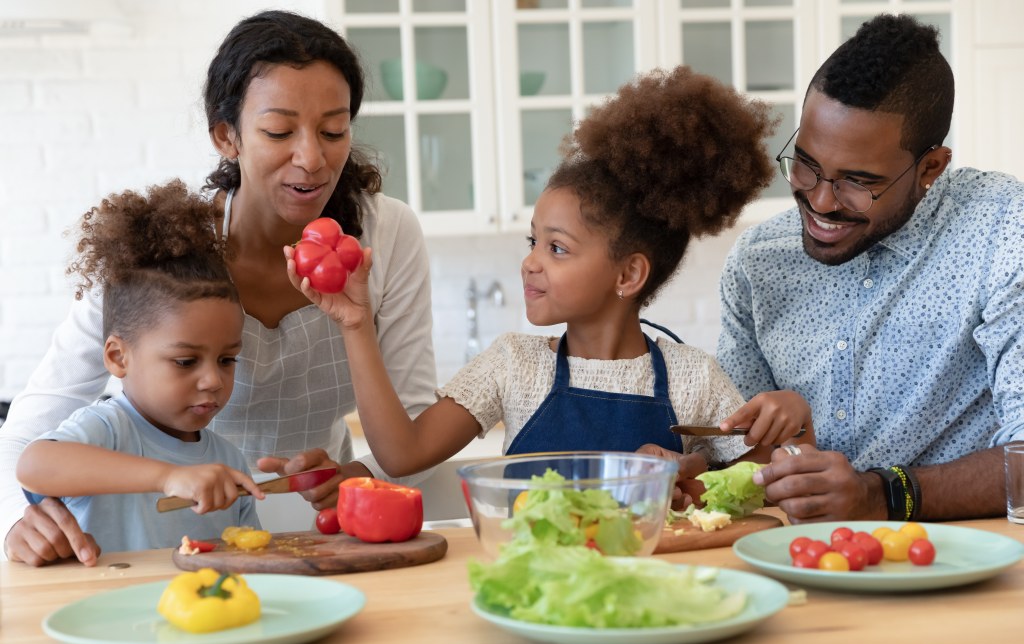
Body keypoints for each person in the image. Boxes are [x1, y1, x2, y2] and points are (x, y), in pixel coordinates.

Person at [0, 10, 437, 565]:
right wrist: (21, 519)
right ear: (225, 135)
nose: (313, 157)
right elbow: (25, 440)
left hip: (320, 530)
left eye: (334, 130)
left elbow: (416, 425)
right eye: (279, 132)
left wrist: (363, 476)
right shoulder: (158, 255)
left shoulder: (387, 235)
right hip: (165, 530)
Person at [286, 66, 815, 489]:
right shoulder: (512, 366)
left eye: (557, 248)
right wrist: (356, 325)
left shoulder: (694, 379)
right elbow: (401, 455)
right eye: (532, 241)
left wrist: (781, 424)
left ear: (629, 274)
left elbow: (764, 479)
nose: (531, 261)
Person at [716, 14, 1024, 523]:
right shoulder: (757, 264)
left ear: (931, 168)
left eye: (859, 181)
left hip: (961, 574)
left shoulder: (1002, 233)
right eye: (807, 163)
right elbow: (739, 455)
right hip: (803, 562)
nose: (819, 201)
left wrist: (879, 494)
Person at [16, 181, 265, 552]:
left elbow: (246, 552)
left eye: (227, 359)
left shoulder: (228, 460)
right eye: (185, 361)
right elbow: (34, 465)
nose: (213, 380)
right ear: (119, 357)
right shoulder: (109, 430)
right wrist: (167, 478)